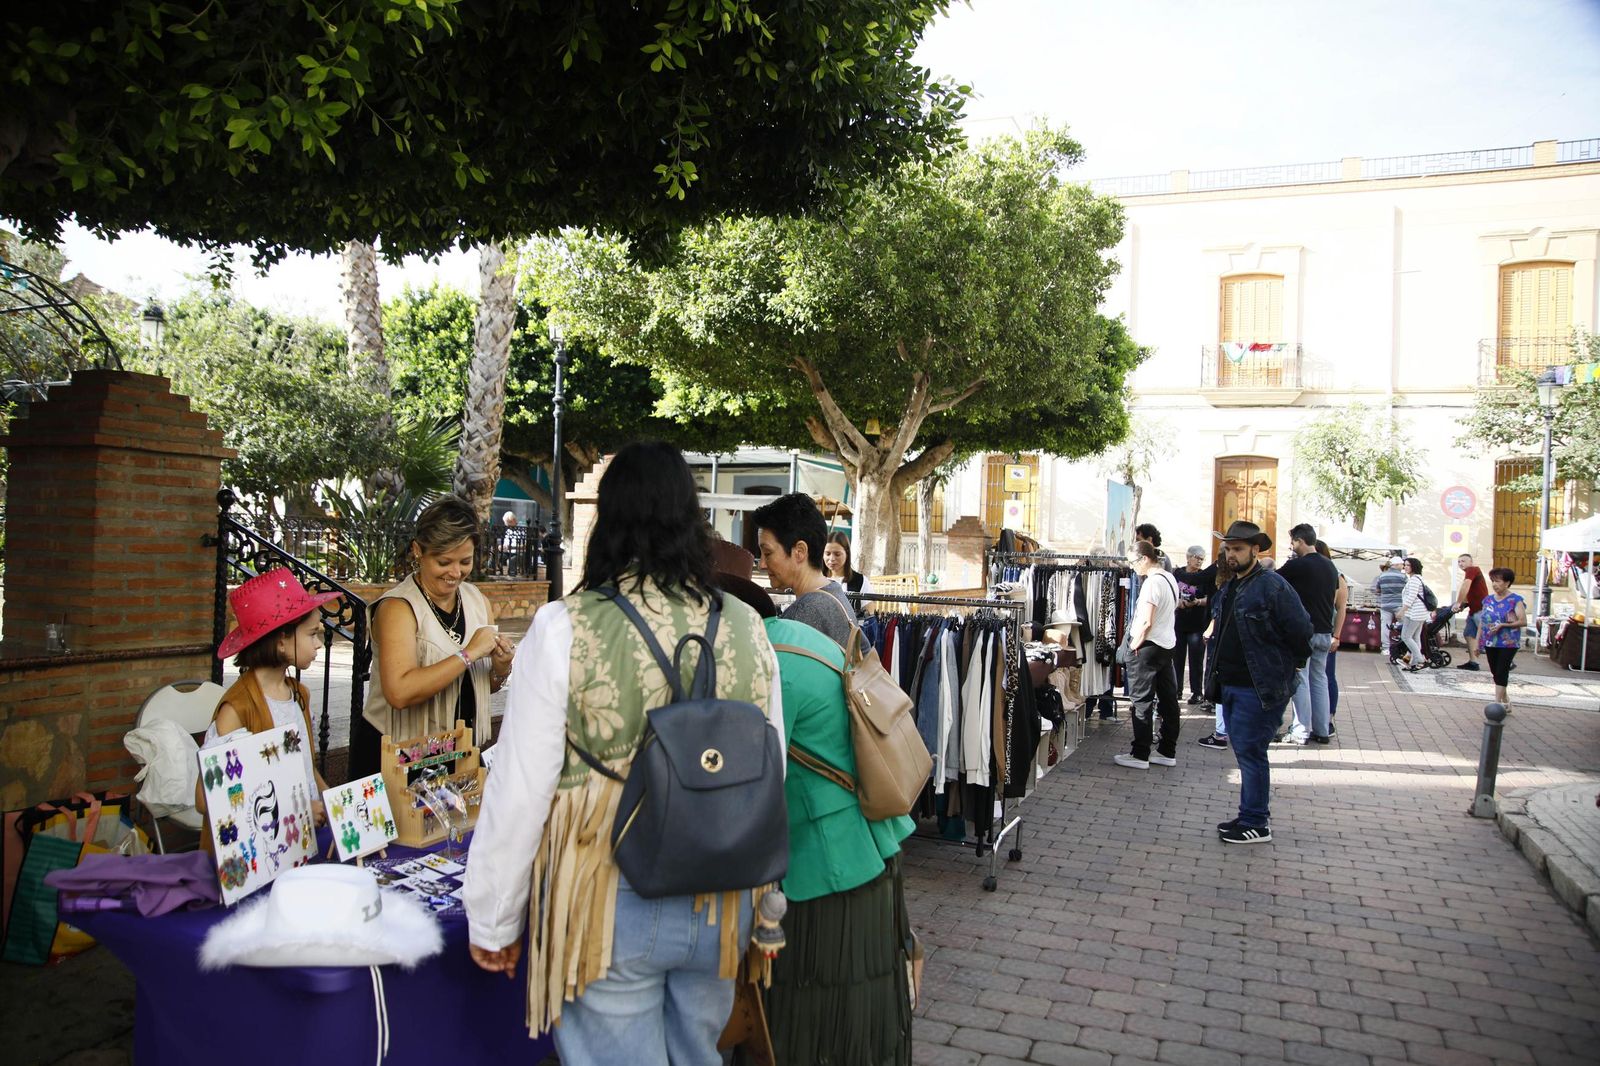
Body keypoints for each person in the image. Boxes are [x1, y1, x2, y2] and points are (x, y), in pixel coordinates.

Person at [464, 441, 785, 1062]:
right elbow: (766, 769)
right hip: (721, 895)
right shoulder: (748, 627)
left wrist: (495, 919)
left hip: (606, 894)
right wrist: (770, 901)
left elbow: (521, 789)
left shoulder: (566, 627)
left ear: (609, 520)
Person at [762, 615, 914, 1065]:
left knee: (813, 1013)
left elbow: (759, 782)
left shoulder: (771, 665)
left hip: (826, 864)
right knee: (864, 1011)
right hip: (871, 842)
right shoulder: (805, 641)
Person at [349, 496, 516, 778]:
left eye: (465, 561)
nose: (455, 572)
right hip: (396, 759)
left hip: (456, 754)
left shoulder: (477, 601)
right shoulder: (398, 608)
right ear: (418, 551)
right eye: (444, 561)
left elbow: (479, 686)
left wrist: (501, 668)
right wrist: (468, 654)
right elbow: (399, 693)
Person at [196, 568, 339, 843]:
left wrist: (332, 800)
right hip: (258, 854)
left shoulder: (298, 695)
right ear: (282, 640)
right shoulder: (236, 710)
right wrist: (295, 809)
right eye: (312, 634)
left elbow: (305, 768)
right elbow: (206, 799)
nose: (319, 644)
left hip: (300, 843)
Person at [1207, 521, 1312, 844]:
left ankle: (1257, 822)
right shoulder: (1231, 587)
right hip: (1234, 683)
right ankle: (1249, 814)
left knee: (1251, 751)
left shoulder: (1272, 585)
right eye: (1228, 549)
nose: (1231, 555)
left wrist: (1287, 667)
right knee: (1244, 750)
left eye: (1237, 549)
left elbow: (1301, 631)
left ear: (1255, 549)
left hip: (1260, 686)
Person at [754, 492, 856, 648]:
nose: (762, 564)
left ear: (799, 551)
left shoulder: (803, 614)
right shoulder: (834, 593)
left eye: (767, 553)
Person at [1114, 541, 1182, 770]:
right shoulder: (1169, 577)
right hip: (1165, 644)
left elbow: (1146, 620)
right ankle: (1166, 750)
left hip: (1148, 647)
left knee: (1142, 701)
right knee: (1168, 699)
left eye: (1133, 562)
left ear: (1144, 558)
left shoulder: (1152, 582)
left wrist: (1135, 642)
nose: (1132, 567)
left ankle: (1140, 753)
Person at [1277, 523, 1339, 745]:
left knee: (1300, 679)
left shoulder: (1298, 566)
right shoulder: (1330, 566)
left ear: (1300, 541)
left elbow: (1272, 579)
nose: (1291, 546)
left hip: (1304, 632)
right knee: (1319, 679)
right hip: (1324, 631)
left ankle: (1301, 730)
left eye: (1293, 541)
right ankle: (1322, 729)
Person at [1196, 564, 1234, 750]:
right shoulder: (1241, 588)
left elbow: (1217, 614)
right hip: (1231, 647)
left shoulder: (1225, 591)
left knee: (1220, 684)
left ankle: (1221, 733)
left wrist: (1209, 631)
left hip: (1222, 645)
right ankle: (1226, 731)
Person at [1478, 567, 1527, 712]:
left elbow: (1523, 621)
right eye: (1493, 581)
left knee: (1501, 670)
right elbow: (1482, 621)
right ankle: (1506, 700)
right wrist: (1477, 640)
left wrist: (1503, 625)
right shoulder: (1487, 600)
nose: (1494, 584)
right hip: (1490, 641)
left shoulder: (1515, 600)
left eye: (1498, 581)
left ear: (1507, 583)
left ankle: (1496, 704)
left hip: (1508, 643)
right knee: (1495, 672)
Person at [1172, 545, 1216, 705]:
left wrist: (1197, 602)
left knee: (1196, 659)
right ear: (1188, 557)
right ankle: (1176, 690)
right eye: (1196, 557)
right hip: (1178, 622)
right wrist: (1179, 603)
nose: (1199, 561)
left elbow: (1210, 598)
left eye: (1202, 559)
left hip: (1197, 623)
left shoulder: (1203, 576)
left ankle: (1197, 692)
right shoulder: (1177, 574)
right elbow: (1170, 595)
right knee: (1177, 658)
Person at [1316, 539, 1347, 734]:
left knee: (1327, 676)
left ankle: (1328, 718)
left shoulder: (1336, 575)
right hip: (1312, 630)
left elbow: (1341, 608)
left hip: (1327, 631)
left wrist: (1337, 635)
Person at [1453, 553, 1489, 671]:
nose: (1461, 564)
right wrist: (1463, 604)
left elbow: (1466, 586)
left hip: (1481, 610)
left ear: (1470, 562)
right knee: (1468, 634)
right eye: (1459, 562)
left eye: (1463, 561)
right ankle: (1473, 662)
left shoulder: (1472, 570)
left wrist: (1458, 602)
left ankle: (1507, 661)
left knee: (1488, 637)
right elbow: (1470, 593)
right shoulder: (1471, 572)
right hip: (1473, 610)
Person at [1397, 557, 1430, 672]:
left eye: (1408, 565)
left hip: (1414, 613)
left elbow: (1411, 597)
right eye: (1405, 565)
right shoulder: (1418, 579)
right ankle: (1414, 663)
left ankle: (1420, 660)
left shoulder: (1414, 580)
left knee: (1405, 636)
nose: (1405, 567)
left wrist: (1402, 611)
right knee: (1415, 637)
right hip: (1419, 613)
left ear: (1414, 567)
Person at [822, 530, 874, 595]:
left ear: (847, 553)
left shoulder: (860, 581)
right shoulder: (816, 579)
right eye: (827, 554)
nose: (832, 558)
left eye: (837, 554)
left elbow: (870, 605)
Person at [1372, 556, 1406, 652]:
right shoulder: (1403, 577)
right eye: (1402, 564)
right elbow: (1408, 590)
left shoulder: (1382, 576)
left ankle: (1386, 648)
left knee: (1385, 626)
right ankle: (1402, 647)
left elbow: (1377, 590)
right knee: (1404, 625)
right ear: (1396, 565)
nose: (1403, 566)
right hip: (1399, 605)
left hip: (1385, 605)